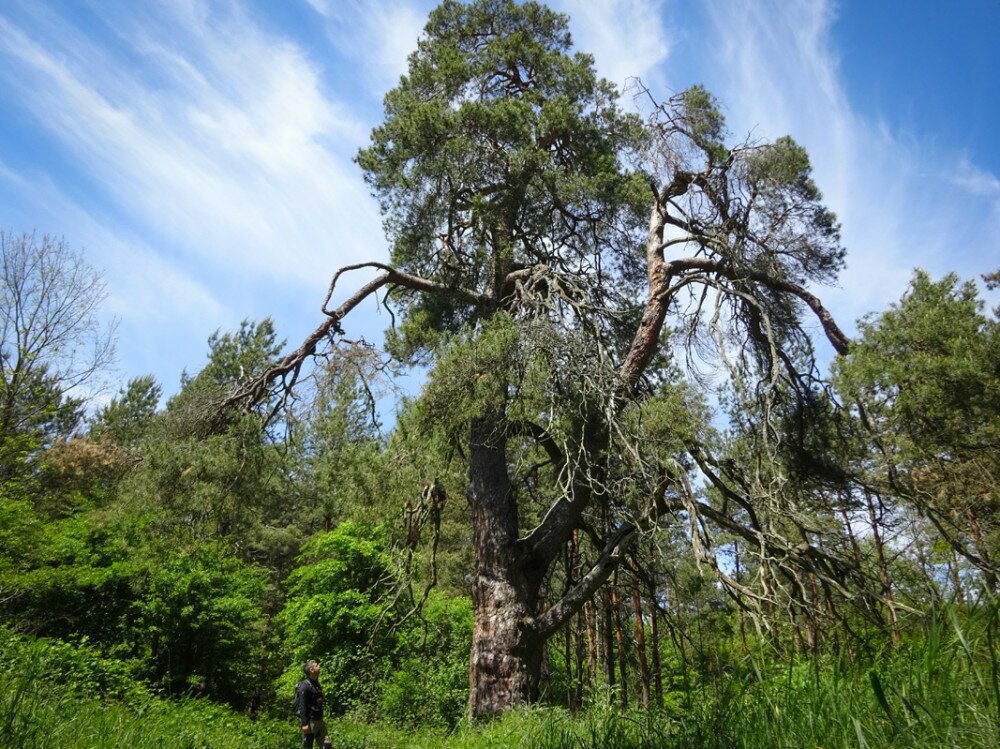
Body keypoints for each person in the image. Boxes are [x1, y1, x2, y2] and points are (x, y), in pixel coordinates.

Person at [294, 659, 330, 749]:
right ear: (312, 670)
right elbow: (302, 706)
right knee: (308, 746)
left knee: (327, 746)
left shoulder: (316, 683)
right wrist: (305, 724)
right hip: (310, 723)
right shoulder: (304, 686)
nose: (319, 666)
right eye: (317, 665)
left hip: (320, 721)